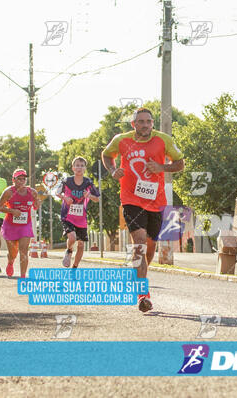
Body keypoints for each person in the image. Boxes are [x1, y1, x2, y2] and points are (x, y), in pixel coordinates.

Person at [102, 107, 184, 312]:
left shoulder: (163, 140)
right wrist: (113, 170)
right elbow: (106, 155)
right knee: (138, 242)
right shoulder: (121, 140)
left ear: (152, 123)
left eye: (149, 121)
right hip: (131, 199)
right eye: (141, 121)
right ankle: (142, 295)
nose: (145, 125)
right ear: (133, 124)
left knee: (149, 249)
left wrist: (162, 168)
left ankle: (138, 276)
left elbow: (180, 164)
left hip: (156, 202)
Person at [56, 157, 100, 268]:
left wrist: (89, 195)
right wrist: (65, 198)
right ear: (73, 168)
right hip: (68, 215)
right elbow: (57, 192)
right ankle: (69, 251)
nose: (79, 167)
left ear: (85, 168)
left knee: (81, 245)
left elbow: (97, 198)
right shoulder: (67, 181)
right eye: (77, 165)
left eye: (81, 165)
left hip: (81, 218)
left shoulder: (88, 182)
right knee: (72, 238)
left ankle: (75, 267)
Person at [0, 169, 41, 278]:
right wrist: (12, 211)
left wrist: (38, 204)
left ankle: (22, 277)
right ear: (13, 180)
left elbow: (35, 207)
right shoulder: (9, 192)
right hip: (10, 226)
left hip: (25, 226)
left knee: (24, 251)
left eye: (23, 179)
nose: (21, 181)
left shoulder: (32, 192)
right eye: (19, 179)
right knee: (13, 253)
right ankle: (10, 262)